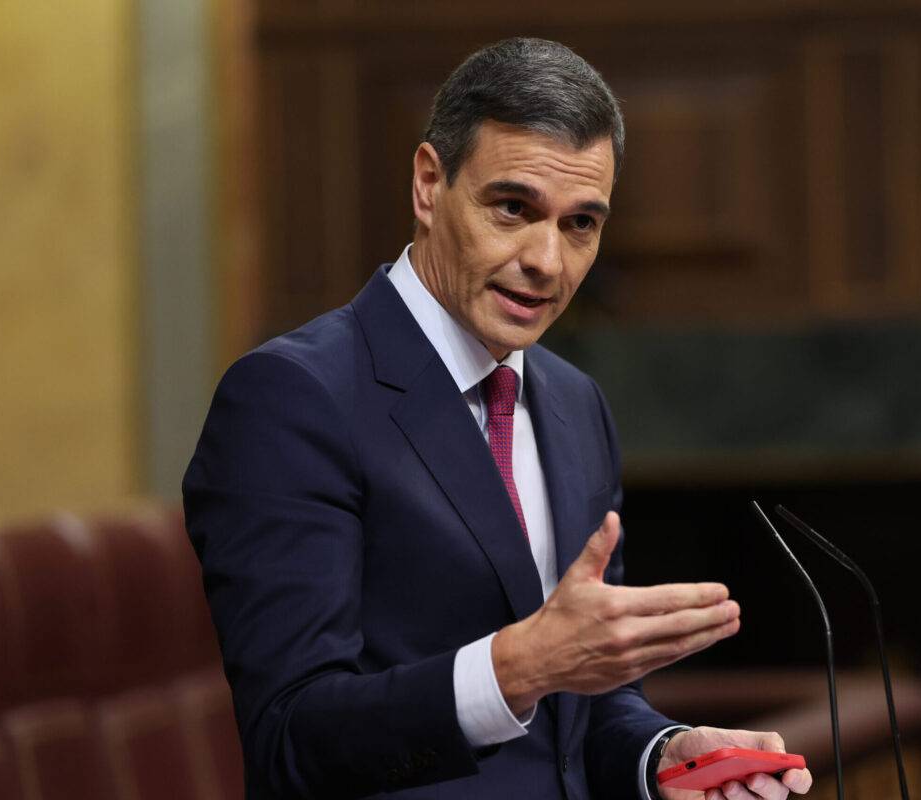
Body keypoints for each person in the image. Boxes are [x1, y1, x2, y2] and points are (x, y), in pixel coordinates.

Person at [183, 37, 813, 800]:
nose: (548, 261)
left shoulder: (575, 404)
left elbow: (588, 702)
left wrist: (662, 754)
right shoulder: (290, 398)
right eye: (513, 209)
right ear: (427, 184)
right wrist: (519, 666)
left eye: (581, 224)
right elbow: (291, 739)